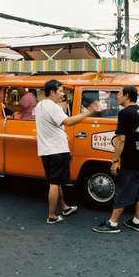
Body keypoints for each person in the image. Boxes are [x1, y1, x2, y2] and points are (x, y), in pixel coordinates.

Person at [35, 79, 100, 224]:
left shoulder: (40, 105)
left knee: (56, 181)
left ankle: (64, 207)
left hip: (47, 150)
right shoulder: (52, 107)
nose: (62, 94)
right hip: (56, 149)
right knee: (54, 182)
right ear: (52, 92)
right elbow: (69, 122)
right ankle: (52, 216)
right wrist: (88, 112)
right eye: (60, 91)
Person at [92, 85, 139, 234]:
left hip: (132, 160)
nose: (116, 96)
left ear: (126, 96)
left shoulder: (125, 113)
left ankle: (112, 223)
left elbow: (121, 140)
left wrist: (114, 160)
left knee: (123, 191)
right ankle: (137, 221)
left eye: (119, 94)